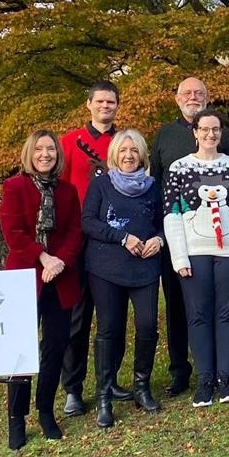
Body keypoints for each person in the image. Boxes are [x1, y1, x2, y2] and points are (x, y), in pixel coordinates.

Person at [163, 108, 229, 407]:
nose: (210, 134)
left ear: (221, 133)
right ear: (195, 132)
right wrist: (179, 258)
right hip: (194, 252)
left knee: (228, 314)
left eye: (215, 129)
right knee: (199, 315)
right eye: (204, 129)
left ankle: (225, 379)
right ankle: (205, 381)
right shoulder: (179, 168)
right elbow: (172, 215)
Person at [151, 77, 229, 397]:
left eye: (199, 93)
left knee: (216, 304)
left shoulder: (224, 135)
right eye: (186, 93)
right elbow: (155, 187)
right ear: (176, 99)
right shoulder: (164, 136)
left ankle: (216, 369)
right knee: (177, 304)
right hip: (176, 236)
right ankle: (180, 370)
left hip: (217, 239)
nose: (193, 97)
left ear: (207, 98)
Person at [0, 130, 82, 450]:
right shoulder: (14, 187)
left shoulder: (68, 190)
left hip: (59, 278)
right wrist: (43, 256)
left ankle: (46, 411)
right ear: (29, 153)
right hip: (25, 278)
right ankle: (16, 419)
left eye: (50, 149)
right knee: (20, 351)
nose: (45, 154)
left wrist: (59, 261)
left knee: (55, 348)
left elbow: (75, 231)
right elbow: (13, 232)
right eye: (39, 149)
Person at [82, 130, 164, 428]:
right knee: (109, 329)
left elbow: (164, 222)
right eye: (123, 150)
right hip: (106, 269)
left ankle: (142, 387)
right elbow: (88, 222)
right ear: (114, 154)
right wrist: (122, 237)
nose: (129, 155)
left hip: (144, 267)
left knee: (147, 326)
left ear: (142, 155)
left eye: (134, 150)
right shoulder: (101, 185)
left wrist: (160, 239)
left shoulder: (153, 188)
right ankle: (104, 396)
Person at [60, 80, 124, 417]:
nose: (105, 106)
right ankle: (73, 388)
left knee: (112, 317)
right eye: (100, 101)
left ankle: (109, 379)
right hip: (79, 240)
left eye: (111, 102)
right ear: (89, 104)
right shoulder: (69, 143)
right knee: (77, 317)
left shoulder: (124, 143)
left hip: (114, 240)